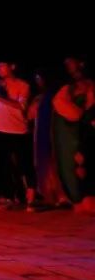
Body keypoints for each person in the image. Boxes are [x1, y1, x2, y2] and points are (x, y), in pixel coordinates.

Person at [0, 62, 35, 209]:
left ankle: (31, 197)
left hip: (18, 129)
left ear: (13, 66)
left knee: (24, 164)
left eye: (2, 66)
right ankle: (9, 197)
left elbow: (21, 106)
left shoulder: (23, 85)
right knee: (3, 165)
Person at [52, 58, 94, 210]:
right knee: (76, 161)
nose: (69, 67)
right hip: (75, 131)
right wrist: (82, 115)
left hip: (87, 127)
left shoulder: (90, 84)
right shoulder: (66, 89)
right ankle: (79, 196)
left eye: (72, 63)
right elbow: (63, 106)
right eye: (67, 64)